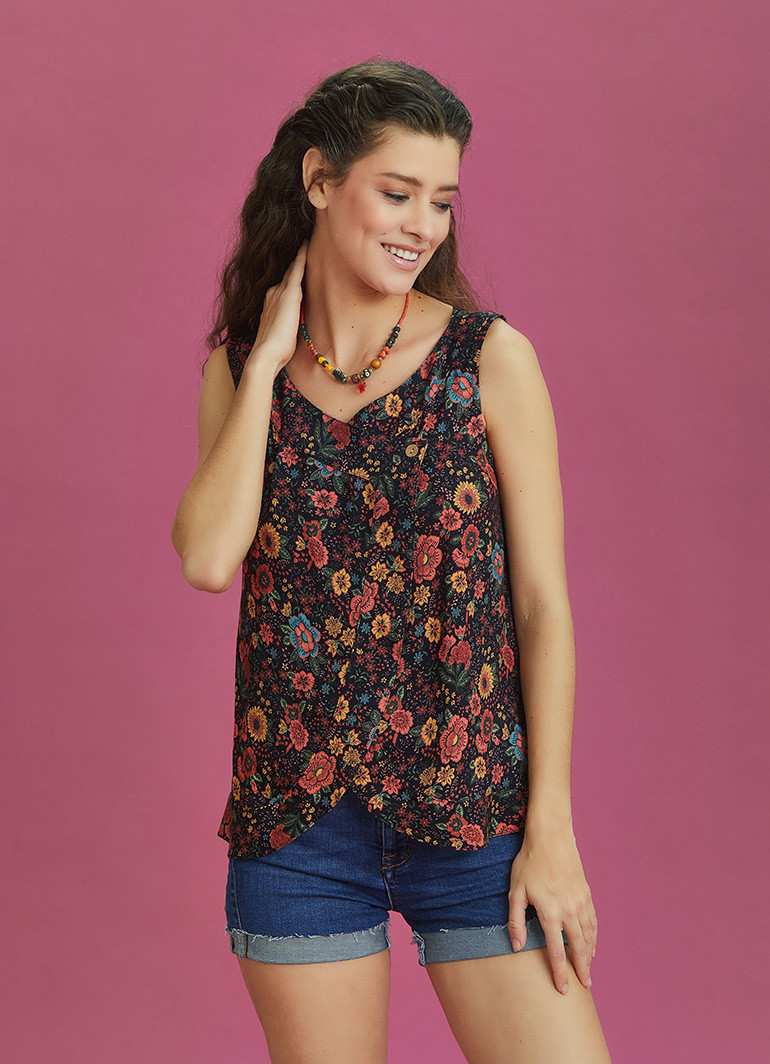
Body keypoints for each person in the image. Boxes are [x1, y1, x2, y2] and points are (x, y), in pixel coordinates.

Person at [172, 58, 611, 1064]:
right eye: (398, 192)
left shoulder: (489, 360)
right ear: (320, 180)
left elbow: (541, 607)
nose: (423, 225)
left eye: (441, 201)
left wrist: (549, 828)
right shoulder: (241, 371)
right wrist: (266, 357)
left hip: (475, 810)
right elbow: (206, 557)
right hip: (298, 827)